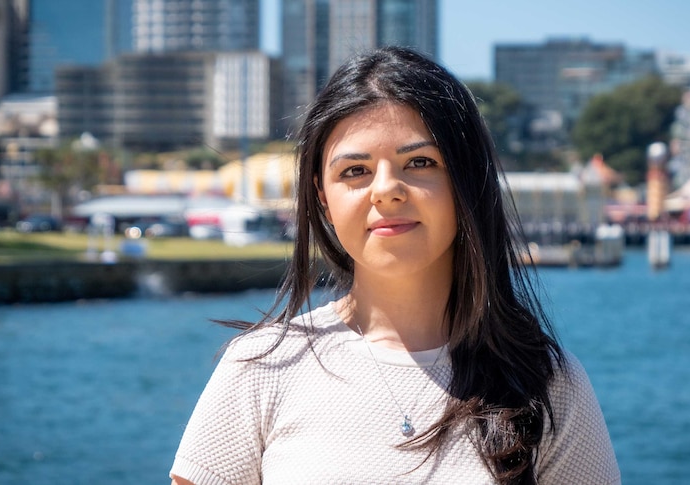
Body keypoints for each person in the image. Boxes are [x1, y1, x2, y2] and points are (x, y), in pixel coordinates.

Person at [170, 46, 620, 485]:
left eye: (419, 162)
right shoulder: (261, 367)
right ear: (322, 197)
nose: (386, 190)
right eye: (354, 171)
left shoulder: (550, 383)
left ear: (467, 181)